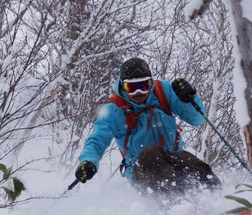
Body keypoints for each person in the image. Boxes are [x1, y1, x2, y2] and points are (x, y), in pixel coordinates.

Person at [74, 57, 220, 194]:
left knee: (192, 163)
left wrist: (189, 99)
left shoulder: (164, 91)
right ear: (123, 86)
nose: (139, 92)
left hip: (173, 157)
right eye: (131, 87)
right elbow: (97, 139)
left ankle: (218, 201)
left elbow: (198, 120)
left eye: (144, 85)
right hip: (140, 168)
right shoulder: (115, 109)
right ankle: (172, 208)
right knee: (152, 153)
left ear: (151, 83)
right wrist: (88, 161)